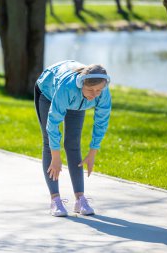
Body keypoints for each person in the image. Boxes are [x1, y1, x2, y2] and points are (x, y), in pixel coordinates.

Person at [34, 60, 112, 217]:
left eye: (98, 91)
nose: (94, 95)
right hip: (48, 93)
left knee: (73, 144)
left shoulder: (102, 93)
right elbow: (53, 124)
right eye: (91, 90)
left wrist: (92, 152)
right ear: (81, 83)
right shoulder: (67, 88)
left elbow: (101, 122)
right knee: (49, 143)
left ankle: (80, 199)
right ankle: (55, 200)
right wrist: (56, 157)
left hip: (77, 102)